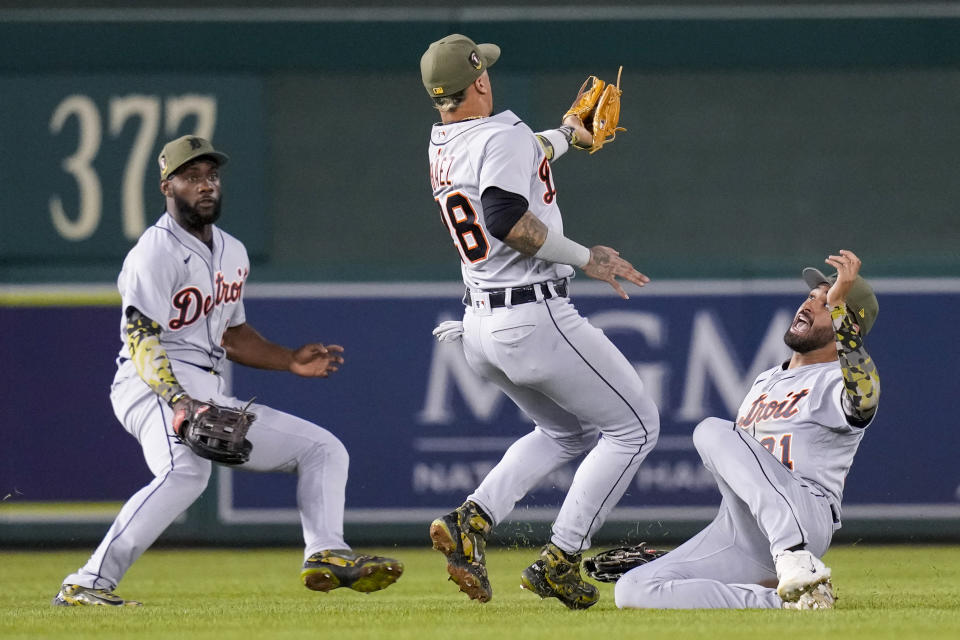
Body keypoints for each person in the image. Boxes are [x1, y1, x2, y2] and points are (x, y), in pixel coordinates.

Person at [51, 135, 402, 606]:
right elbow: (140, 337)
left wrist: (289, 359)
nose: (205, 185)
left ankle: (326, 553)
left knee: (324, 450)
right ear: (166, 186)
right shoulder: (153, 252)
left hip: (205, 386)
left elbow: (232, 335)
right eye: (191, 177)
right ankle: (87, 583)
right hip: (151, 383)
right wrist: (179, 403)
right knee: (185, 473)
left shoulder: (233, 251)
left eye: (211, 176)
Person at [419, 34, 661, 609]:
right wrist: (588, 258)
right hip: (532, 313)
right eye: (486, 72)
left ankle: (470, 520)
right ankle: (560, 558)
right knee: (636, 428)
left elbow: (521, 151)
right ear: (479, 81)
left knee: (566, 433)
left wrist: (568, 137)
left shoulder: (445, 139)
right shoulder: (499, 136)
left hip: (480, 323)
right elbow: (505, 217)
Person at [614, 250, 879, 610]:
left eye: (827, 302)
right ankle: (790, 602)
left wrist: (839, 311)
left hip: (806, 511)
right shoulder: (767, 379)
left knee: (709, 430)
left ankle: (794, 555)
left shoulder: (834, 379)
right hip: (741, 530)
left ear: (845, 324)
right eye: (812, 296)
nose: (810, 304)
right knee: (632, 589)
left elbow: (864, 399)